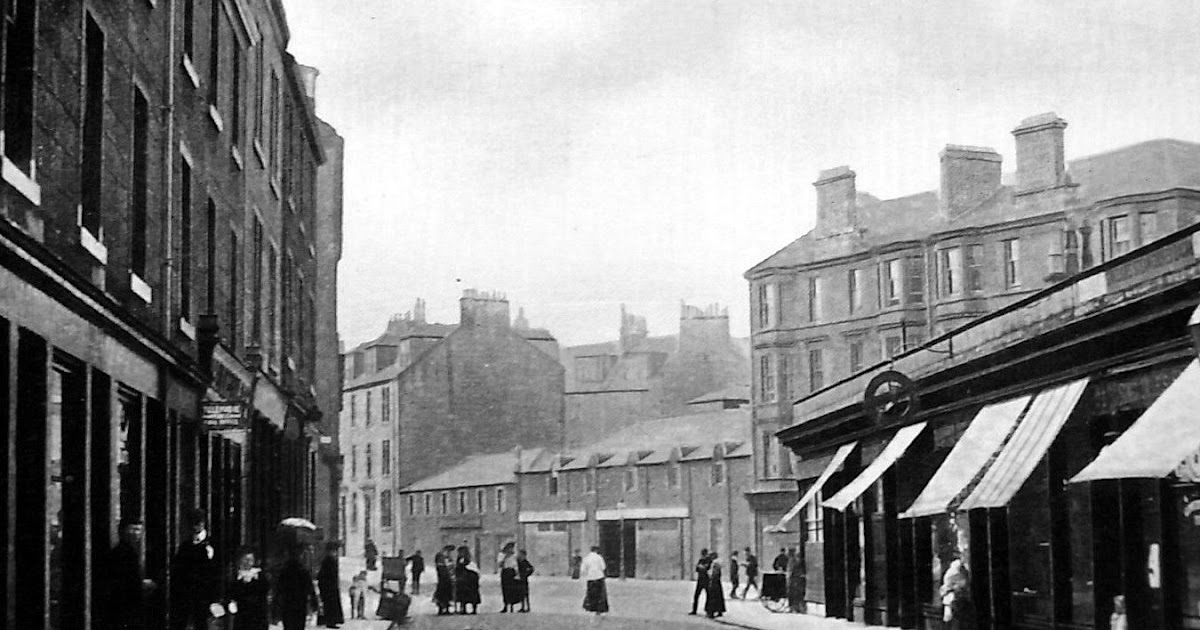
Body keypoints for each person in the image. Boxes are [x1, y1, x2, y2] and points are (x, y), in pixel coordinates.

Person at [169, 508, 223, 630]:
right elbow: (178, 571)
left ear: (204, 523)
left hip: (205, 595)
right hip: (187, 595)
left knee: (203, 623)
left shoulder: (213, 544)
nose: (196, 526)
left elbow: (217, 571)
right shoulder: (185, 546)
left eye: (199, 522)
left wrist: (216, 596)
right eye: (193, 523)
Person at [101, 518, 156, 630]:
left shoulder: (129, 552)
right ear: (123, 531)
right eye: (134, 529)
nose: (137, 534)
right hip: (124, 607)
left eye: (139, 530)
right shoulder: (124, 553)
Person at [276, 543, 320, 630]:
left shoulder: (284, 571)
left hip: (287, 604)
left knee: (288, 625)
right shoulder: (303, 571)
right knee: (299, 625)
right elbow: (309, 588)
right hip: (300, 604)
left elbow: (279, 589)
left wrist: (277, 605)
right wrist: (314, 603)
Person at [226, 547, 269, 630]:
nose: (247, 562)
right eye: (245, 559)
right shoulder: (237, 578)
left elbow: (263, 592)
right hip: (241, 619)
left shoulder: (260, 577)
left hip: (257, 619)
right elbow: (231, 594)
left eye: (250, 559)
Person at [316, 541, 345, 628]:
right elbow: (326, 575)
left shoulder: (329, 560)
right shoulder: (329, 561)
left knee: (329, 604)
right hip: (329, 587)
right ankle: (330, 621)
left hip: (329, 586)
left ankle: (328, 620)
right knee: (330, 605)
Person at [940, 557, 972, 630]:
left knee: (954, 622)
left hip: (955, 601)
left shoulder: (953, 574)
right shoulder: (956, 574)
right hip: (954, 601)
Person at [580, 545, 609, 619]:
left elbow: (583, 570)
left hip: (590, 578)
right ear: (596, 550)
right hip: (599, 577)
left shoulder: (586, 558)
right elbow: (603, 567)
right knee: (601, 594)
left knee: (591, 594)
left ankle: (592, 609)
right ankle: (601, 610)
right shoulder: (599, 557)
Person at [433, 544, 455, 615]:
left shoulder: (446, 557)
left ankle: (444, 608)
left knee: (445, 594)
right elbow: (442, 567)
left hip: (446, 579)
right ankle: (442, 608)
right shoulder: (441, 556)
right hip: (444, 579)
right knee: (443, 594)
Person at [689, 548, 710, 615]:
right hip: (700, 579)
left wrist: (701, 567)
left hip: (706, 579)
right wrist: (702, 567)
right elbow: (697, 569)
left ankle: (708, 610)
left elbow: (706, 568)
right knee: (697, 595)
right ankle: (694, 610)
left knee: (708, 595)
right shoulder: (701, 560)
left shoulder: (708, 560)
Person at [499, 543, 520, 613]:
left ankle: (512, 605)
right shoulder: (501, 555)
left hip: (511, 572)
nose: (511, 550)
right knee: (505, 589)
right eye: (509, 548)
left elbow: (515, 565)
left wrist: (517, 573)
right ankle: (505, 605)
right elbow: (500, 565)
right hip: (505, 571)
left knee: (512, 589)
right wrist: (505, 557)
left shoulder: (514, 556)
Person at [705, 552, 726, 618]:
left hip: (714, 582)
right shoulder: (718, 563)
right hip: (717, 582)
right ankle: (719, 611)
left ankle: (711, 612)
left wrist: (711, 580)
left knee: (712, 597)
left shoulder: (714, 563)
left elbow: (713, 573)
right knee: (719, 597)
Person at [786, 547, 805, 613]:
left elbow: (790, 570)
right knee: (796, 594)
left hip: (794, 579)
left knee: (792, 594)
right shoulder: (795, 560)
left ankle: (793, 608)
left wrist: (788, 577)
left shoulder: (792, 560)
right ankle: (797, 608)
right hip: (796, 579)